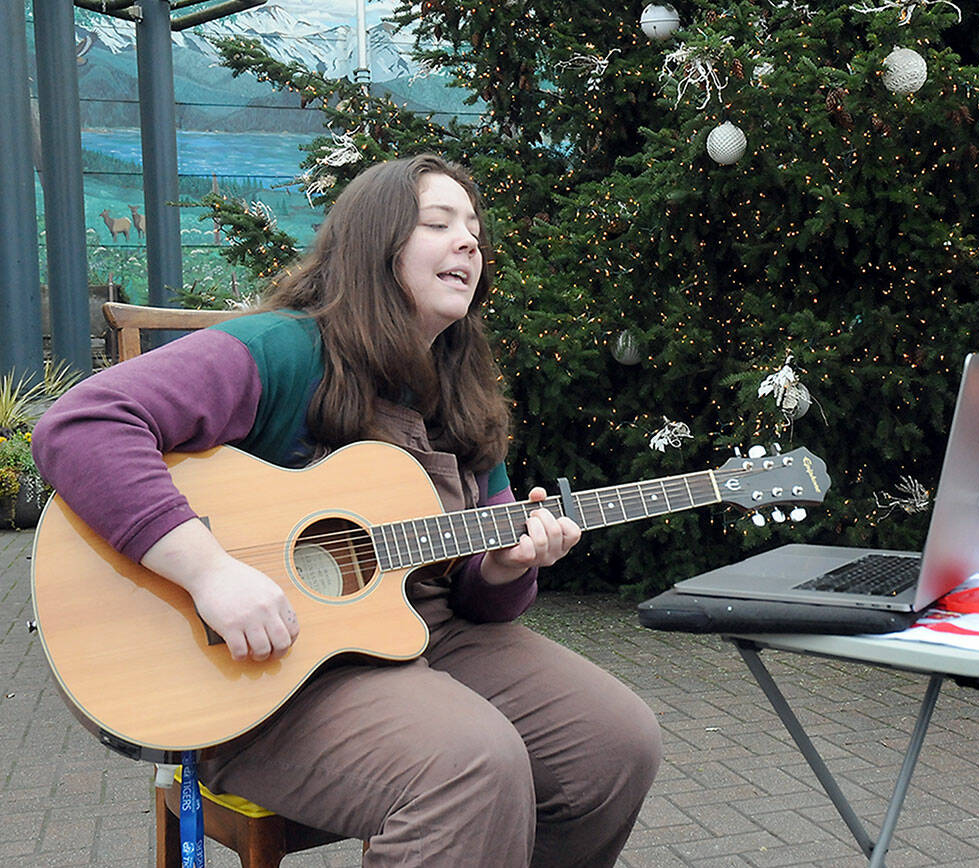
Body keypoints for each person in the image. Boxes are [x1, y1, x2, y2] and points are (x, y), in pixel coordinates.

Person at [32, 154, 662, 866]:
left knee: (615, 743)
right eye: (438, 223)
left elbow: (485, 604)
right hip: (263, 670)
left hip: (425, 635)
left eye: (476, 232)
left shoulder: (464, 390)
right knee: (468, 764)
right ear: (374, 242)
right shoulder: (283, 350)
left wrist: (507, 565)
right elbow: (81, 425)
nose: (469, 243)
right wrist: (210, 572)